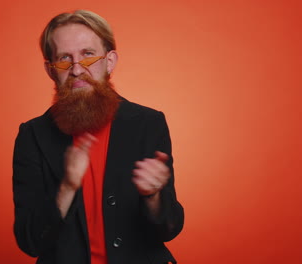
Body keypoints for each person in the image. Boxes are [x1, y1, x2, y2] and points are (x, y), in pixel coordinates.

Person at [12, 10, 184, 264]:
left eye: (88, 55)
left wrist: (154, 196)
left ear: (110, 61)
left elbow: (169, 229)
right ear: (51, 70)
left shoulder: (149, 123)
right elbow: (29, 242)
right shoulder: (32, 135)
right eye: (64, 58)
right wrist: (68, 187)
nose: (77, 69)